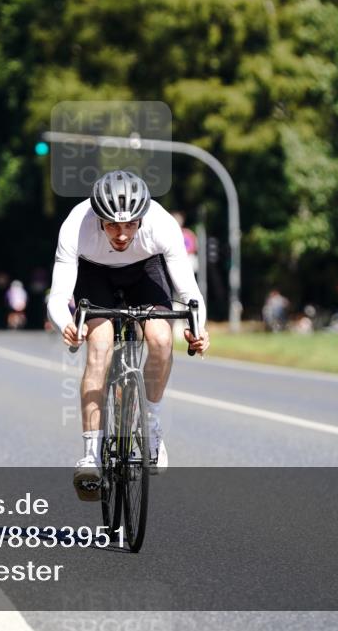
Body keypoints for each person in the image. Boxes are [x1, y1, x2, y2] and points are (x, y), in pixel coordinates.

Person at [46, 170, 209, 498]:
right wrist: (66, 323)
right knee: (100, 347)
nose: (121, 235)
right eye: (112, 225)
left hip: (145, 271)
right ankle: (91, 453)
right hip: (95, 274)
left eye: (130, 225)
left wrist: (198, 327)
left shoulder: (161, 225)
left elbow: (188, 291)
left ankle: (151, 429)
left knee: (162, 341)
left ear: (141, 217)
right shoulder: (76, 226)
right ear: (98, 219)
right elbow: (58, 293)